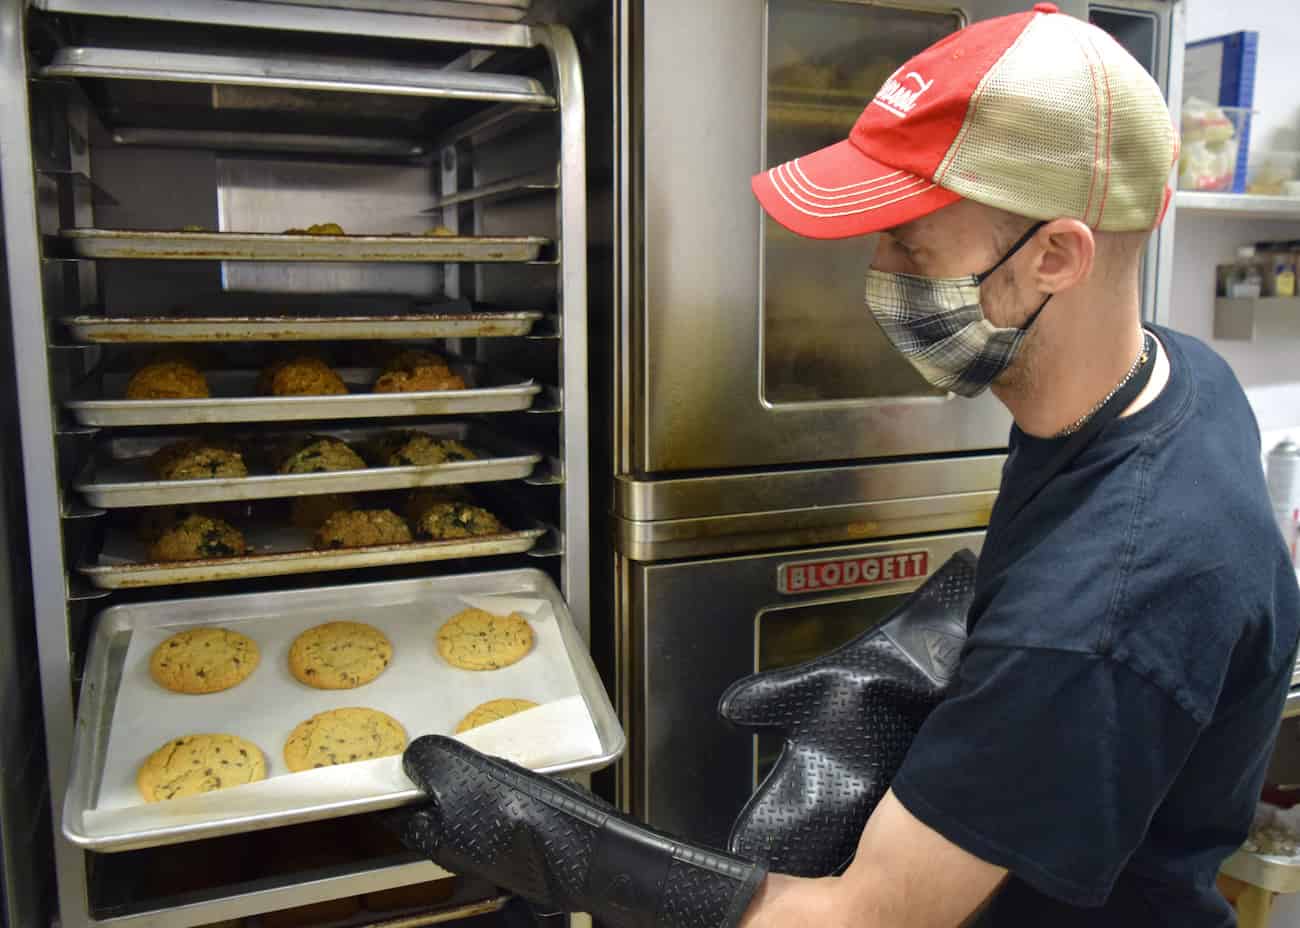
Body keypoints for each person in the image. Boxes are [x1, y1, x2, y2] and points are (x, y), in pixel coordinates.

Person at [395, 5, 1300, 927]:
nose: (877, 269)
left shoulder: (1100, 613)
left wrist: (574, 853)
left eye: (910, 241)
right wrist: (941, 649)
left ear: (1055, 258)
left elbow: (865, 919)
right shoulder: (1176, 375)